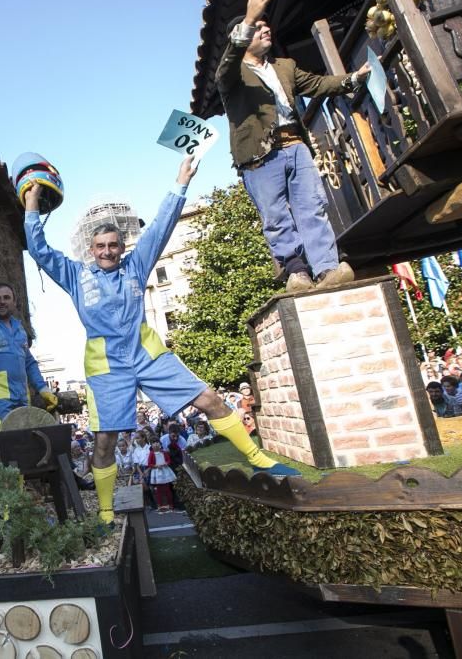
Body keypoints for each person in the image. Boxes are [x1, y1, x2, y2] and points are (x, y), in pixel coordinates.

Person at [24, 155, 300, 525]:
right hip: (105, 364)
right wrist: (30, 205)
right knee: (104, 440)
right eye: (100, 246)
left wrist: (181, 182)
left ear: (121, 247)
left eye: (113, 245)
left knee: (209, 399)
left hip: (147, 353)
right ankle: (106, 510)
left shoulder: (136, 265)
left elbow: (161, 227)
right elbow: (40, 251)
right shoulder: (75, 275)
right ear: (91, 250)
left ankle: (258, 457)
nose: (107, 251)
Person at [217, 0, 369, 292]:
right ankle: (297, 272)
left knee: (312, 207)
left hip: (295, 146)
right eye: (257, 27)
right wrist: (248, 18)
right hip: (260, 157)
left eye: (265, 24)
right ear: (243, 36)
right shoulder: (232, 74)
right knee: (275, 217)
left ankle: (327, 268)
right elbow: (225, 67)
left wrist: (352, 79)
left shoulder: (284, 66)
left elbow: (317, 84)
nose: (265, 28)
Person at [0, 283, 57, 431]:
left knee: (26, 442)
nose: (2, 301)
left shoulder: (19, 328)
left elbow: (29, 363)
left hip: (22, 397)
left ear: (14, 302)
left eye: (7, 298)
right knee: (7, 444)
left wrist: (43, 388)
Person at [146, 438, 177, 513]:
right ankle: (160, 505)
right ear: (151, 445)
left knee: (167, 489)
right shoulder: (152, 453)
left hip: (165, 471)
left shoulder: (164, 452)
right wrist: (156, 466)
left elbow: (168, 460)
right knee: (159, 490)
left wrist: (166, 463)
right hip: (157, 472)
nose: (156, 444)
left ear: (160, 444)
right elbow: (149, 464)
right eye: (154, 443)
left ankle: (170, 504)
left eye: (157, 442)